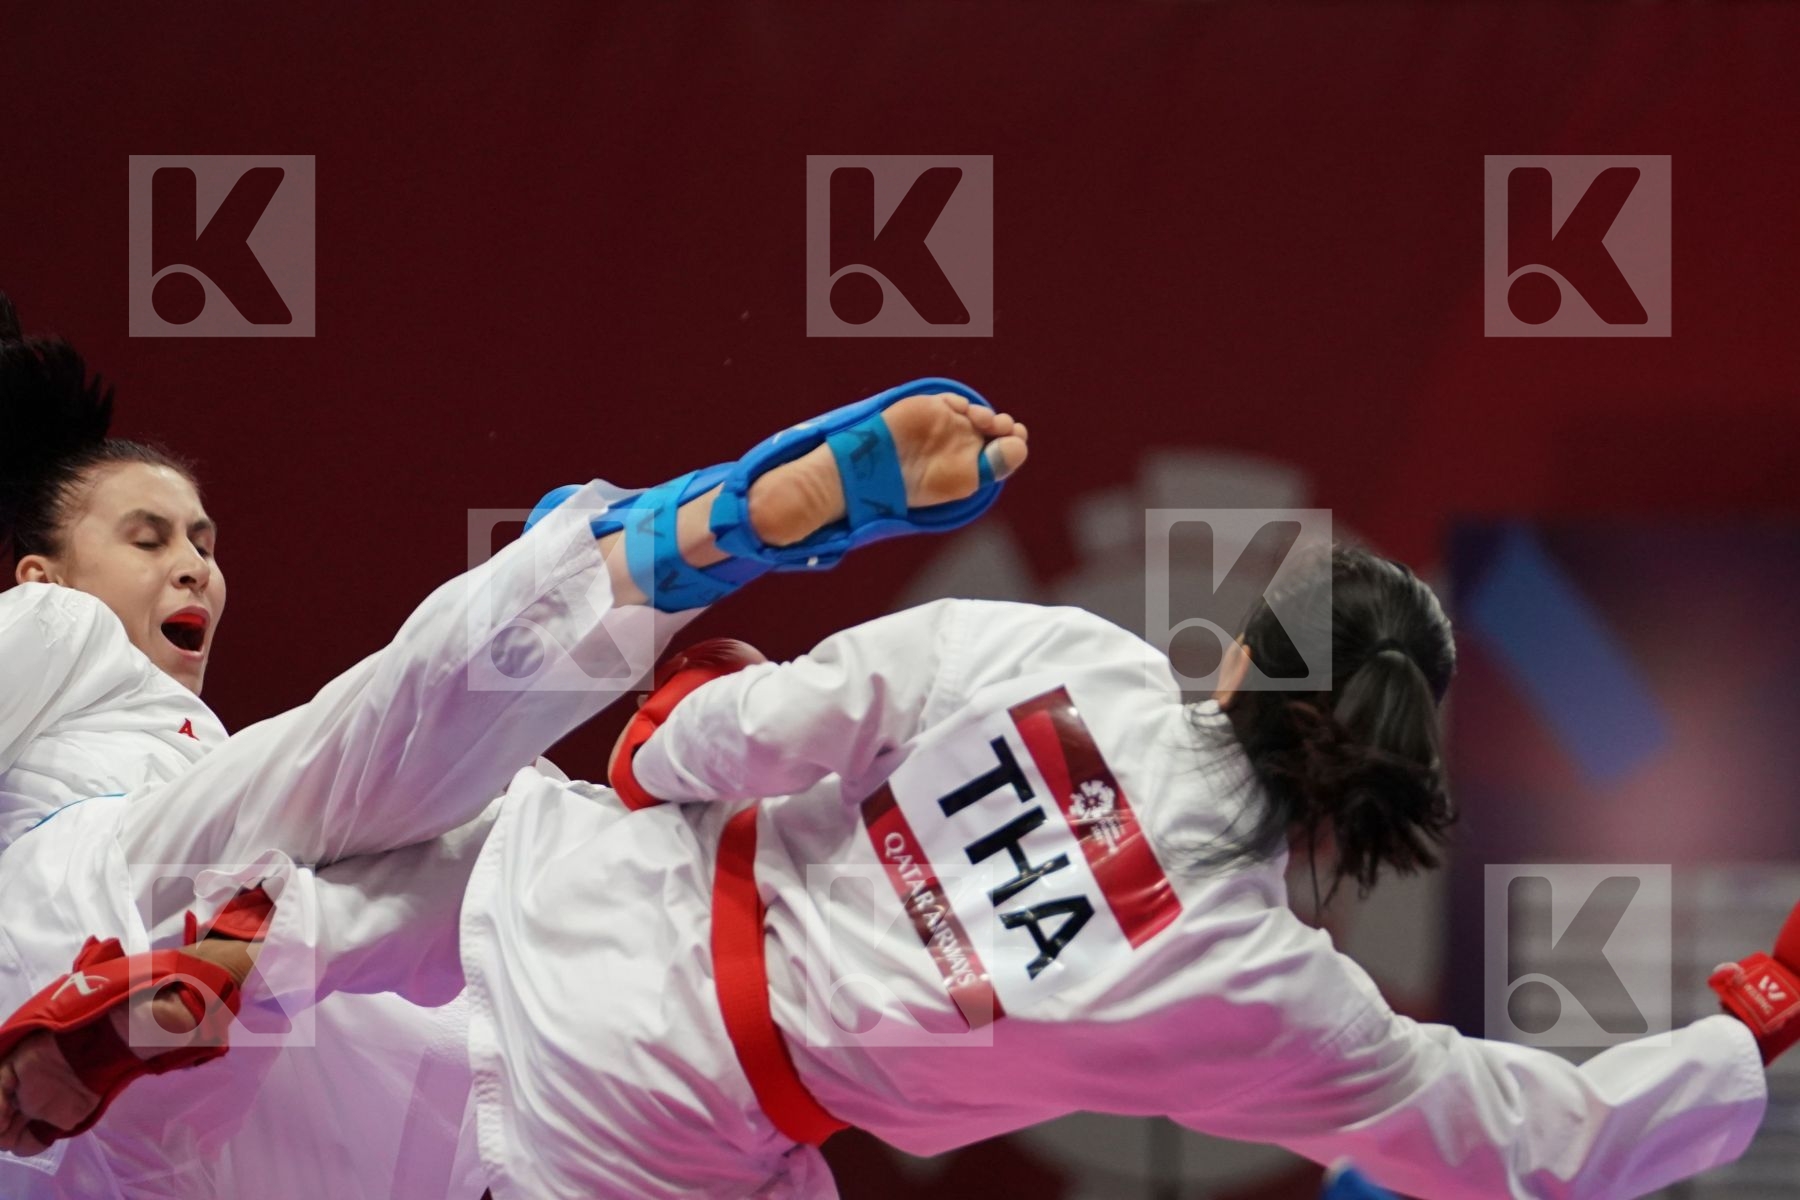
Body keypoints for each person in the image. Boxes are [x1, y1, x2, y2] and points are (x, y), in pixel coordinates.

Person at [11, 534, 1789, 1199]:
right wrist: (1749, 1029)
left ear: (1248, 657)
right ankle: (234, 988)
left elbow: (748, 735)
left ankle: (248, 957)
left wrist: (678, 727)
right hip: (665, 1127)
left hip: (579, 902)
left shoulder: (1074, 666)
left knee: (468, 820)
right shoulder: (1262, 991)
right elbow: (1514, 1138)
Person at [0, 293, 1030, 1195]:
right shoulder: (56, 626)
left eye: (204, 542)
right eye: (148, 538)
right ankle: (676, 548)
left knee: (509, 877)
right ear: (41, 573)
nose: (194, 567)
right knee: (429, 785)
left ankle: (619, 626)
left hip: (142, 1113)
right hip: (85, 909)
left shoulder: (197, 750)